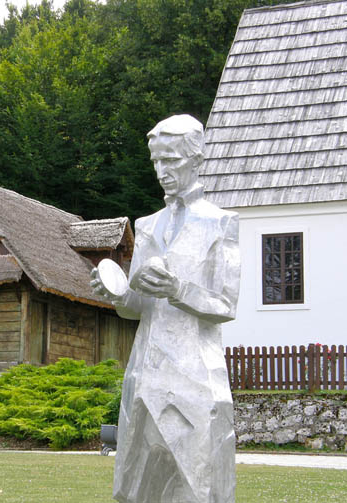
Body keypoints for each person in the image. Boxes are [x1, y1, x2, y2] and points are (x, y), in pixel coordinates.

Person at [91, 115, 240, 503]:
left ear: (195, 159)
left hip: (194, 377)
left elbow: (225, 304)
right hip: (144, 373)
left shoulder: (221, 224)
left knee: (197, 488)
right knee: (134, 488)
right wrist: (120, 295)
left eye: (171, 161)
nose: (161, 172)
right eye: (156, 161)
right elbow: (140, 306)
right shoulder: (147, 226)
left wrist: (178, 288)